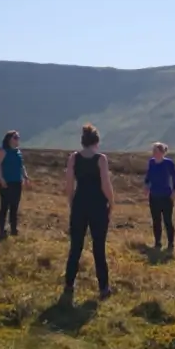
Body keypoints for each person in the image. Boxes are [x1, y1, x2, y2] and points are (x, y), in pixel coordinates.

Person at [64, 123, 115, 300]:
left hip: (79, 203)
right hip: (98, 206)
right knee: (98, 248)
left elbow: (69, 184)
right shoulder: (101, 159)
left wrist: (72, 202)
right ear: (96, 141)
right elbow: (105, 184)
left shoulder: (74, 158)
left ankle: (69, 284)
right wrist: (112, 202)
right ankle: (103, 288)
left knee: (75, 247)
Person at [0, 130, 30, 239]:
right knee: (4, 206)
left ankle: (13, 228)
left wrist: (26, 177)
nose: (17, 139)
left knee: (14, 206)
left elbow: (21, 166)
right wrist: (1, 179)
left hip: (17, 182)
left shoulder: (18, 152)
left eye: (18, 137)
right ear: (9, 139)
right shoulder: (3, 151)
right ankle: (1, 229)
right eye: (15, 137)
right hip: (6, 183)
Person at [144, 142, 175, 250]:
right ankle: (157, 242)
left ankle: (171, 243)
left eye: (156, 151)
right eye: (153, 151)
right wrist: (146, 186)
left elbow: (174, 177)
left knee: (167, 220)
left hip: (166, 196)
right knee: (156, 220)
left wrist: (174, 191)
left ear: (162, 152)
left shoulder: (169, 163)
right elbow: (148, 176)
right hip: (154, 196)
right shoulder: (151, 162)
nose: (153, 153)